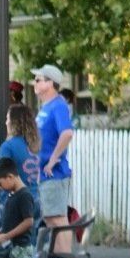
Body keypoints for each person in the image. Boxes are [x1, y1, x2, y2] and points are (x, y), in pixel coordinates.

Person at [32, 64, 74, 218]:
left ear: (50, 83)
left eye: (38, 80)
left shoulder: (58, 105)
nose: (34, 83)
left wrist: (53, 159)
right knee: (50, 220)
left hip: (54, 174)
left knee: (58, 220)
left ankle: (64, 244)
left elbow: (67, 133)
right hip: (43, 174)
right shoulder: (46, 107)